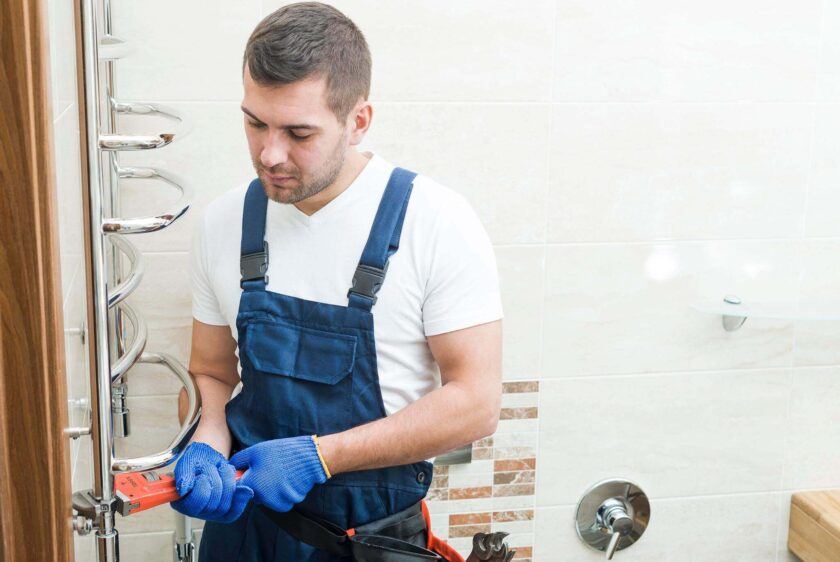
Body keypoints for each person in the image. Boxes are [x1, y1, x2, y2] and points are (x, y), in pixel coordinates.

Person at [171, 2, 503, 560]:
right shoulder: (223, 222)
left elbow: (476, 402)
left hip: (368, 542)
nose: (269, 153)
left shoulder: (436, 222)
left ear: (358, 121)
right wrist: (205, 438)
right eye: (255, 123)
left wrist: (322, 457)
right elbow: (211, 371)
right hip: (244, 533)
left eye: (299, 132)